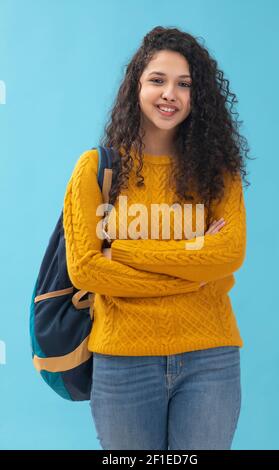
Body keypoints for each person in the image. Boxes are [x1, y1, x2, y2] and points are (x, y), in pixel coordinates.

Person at [63, 26, 252, 450]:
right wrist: (191, 271)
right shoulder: (96, 169)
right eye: (158, 80)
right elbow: (87, 269)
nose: (171, 93)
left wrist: (124, 250)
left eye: (184, 84)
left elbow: (228, 255)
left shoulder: (219, 173)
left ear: (197, 97)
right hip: (123, 360)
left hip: (210, 357)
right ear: (136, 86)